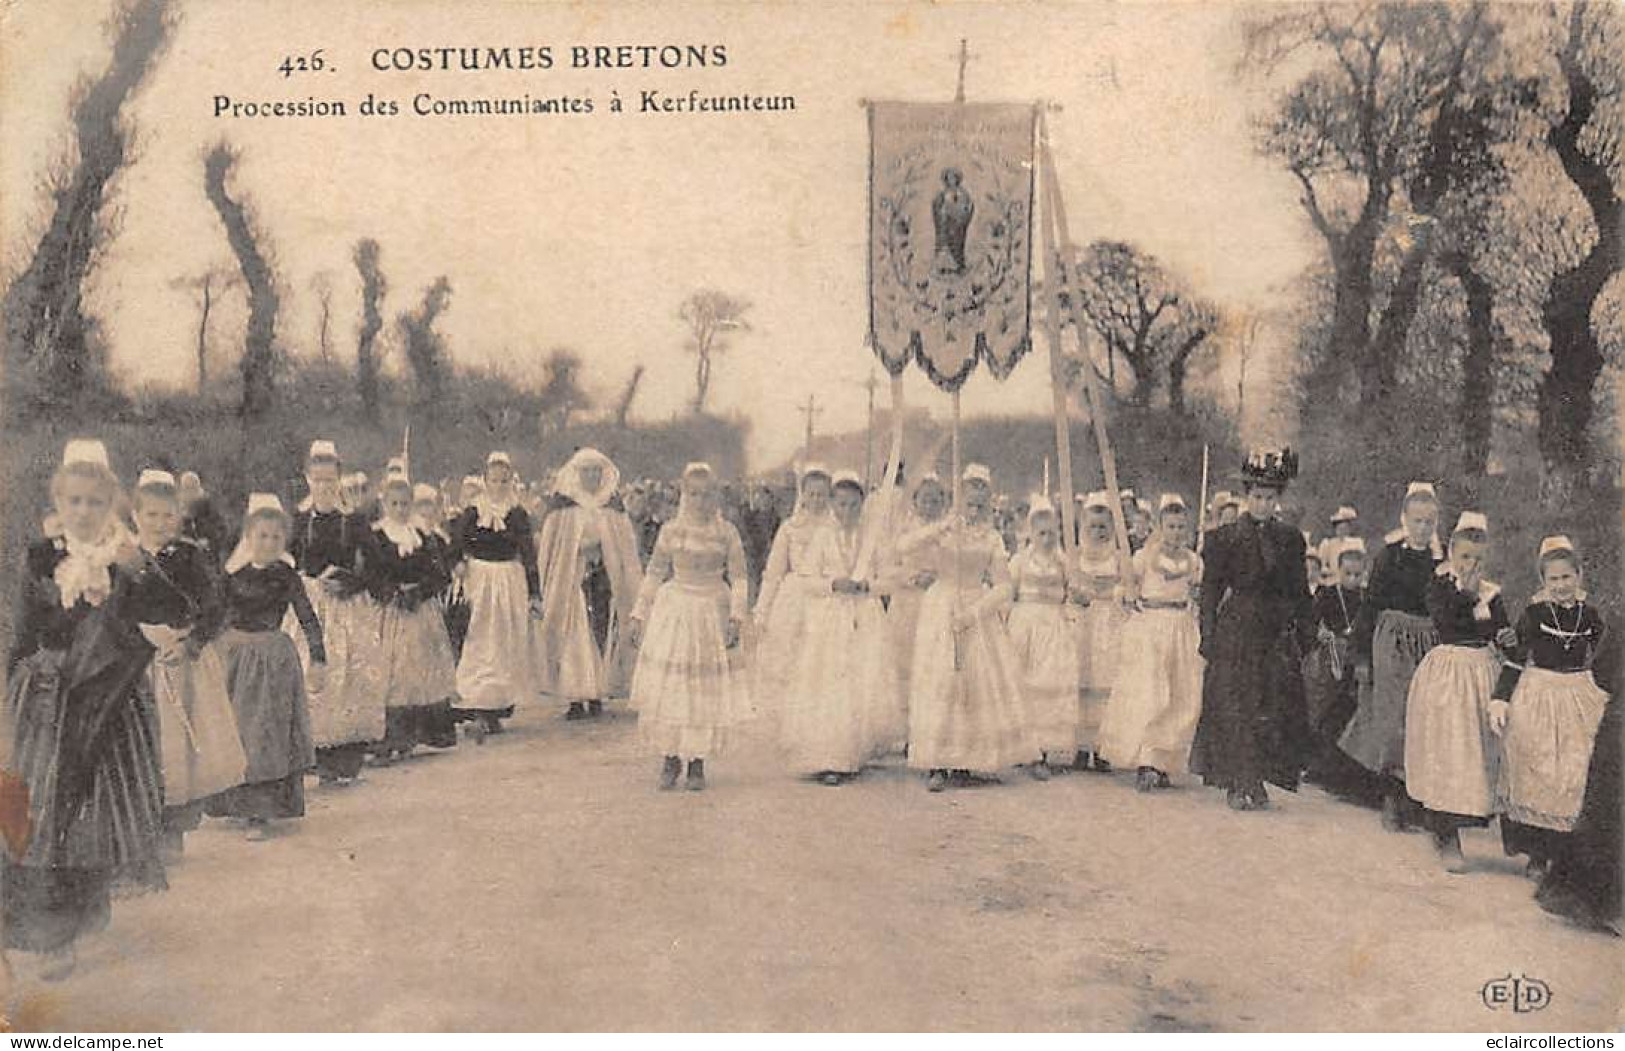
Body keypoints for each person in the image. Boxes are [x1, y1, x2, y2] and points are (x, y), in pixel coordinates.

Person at [2, 440, 166, 980]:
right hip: (46, 699)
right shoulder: (40, 555)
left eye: (95, 502)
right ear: (58, 500)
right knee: (38, 808)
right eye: (73, 501)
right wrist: (10, 687)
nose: (83, 512)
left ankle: (76, 920)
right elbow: (25, 630)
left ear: (112, 504)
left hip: (109, 701)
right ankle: (46, 934)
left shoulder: (129, 556)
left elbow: (179, 609)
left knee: (92, 815)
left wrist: (139, 571)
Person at [126, 469, 245, 858]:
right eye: (151, 515)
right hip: (137, 662)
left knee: (180, 750)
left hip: (181, 661)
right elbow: (112, 612)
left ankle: (173, 832)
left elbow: (216, 607)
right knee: (142, 746)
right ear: (135, 515)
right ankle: (139, 832)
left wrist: (191, 642)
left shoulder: (190, 556)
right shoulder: (123, 558)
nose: (159, 524)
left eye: (167, 516)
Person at [902, 464, 1040, 792]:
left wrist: (976, 611)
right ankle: (937, 760)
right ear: (959, 498)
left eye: (981, 502)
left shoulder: (992, 538)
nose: (974, 508)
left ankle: (966, 758)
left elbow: (1004, 587)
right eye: (969, 500)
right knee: (940, 679)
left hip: (975, 609)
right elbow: (903, 547)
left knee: (975, 682)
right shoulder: (943, 528)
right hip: (941, 605)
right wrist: (939, 529)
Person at [1190, 449, 1313, 811]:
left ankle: (1257, 777)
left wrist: (1305, 634)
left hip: (1274, 632)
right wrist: (1208, 636)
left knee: (1271, 704)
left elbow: (1300, 591)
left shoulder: (1291, 540)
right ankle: (1238, 780)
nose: (1263, 505)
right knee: (1235, 704)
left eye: (1270, 498)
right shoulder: (1223, 538)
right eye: (1257, 497)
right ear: (1246, 497)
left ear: (1279, 500)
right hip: (1237, 629)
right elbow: (1210, 592)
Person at [1491, 536, 1611, 881]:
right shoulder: (1533, 614)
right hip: (1539, 693)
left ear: (1579, 576)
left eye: (1567, 577)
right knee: (1538, 769)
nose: (1561, 586)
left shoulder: (1589, 615)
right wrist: (1501, 698)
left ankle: (1564, 855)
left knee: (1571, 772)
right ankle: (1537, 854)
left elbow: (1605, 656)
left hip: (1575, 692)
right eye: (1553, 579)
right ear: (1543, 582)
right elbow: (1514, 660)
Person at [206, 495, 324, 840]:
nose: (269, 543)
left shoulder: (286, 575)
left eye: (276, 537)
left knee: (265, 733)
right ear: (248, 536)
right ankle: (235, 802)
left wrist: (318, 656)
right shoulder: (232, 575)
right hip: (236, 658)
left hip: (273, 660)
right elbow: (214, 615)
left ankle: (261, 810)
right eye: (262, 535)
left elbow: (306, 616)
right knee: (237, 730)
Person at [626, 463, 749, 791]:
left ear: (715, 496)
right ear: (683, 494)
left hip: (711, 611)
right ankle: (670, 757)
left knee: (701, 688)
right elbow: (654, 572)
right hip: (676, 608)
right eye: (692, 494)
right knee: (674, 685)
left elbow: (738, 577)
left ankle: (697, 761)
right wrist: (639, 613)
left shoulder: (727, 533)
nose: (699, 501)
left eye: (706, 494)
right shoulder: (671, 531)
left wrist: (737, 617)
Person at [1404, 511, 1512, 873]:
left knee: (1480, 751)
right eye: (1465, 556)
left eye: (1478, 558)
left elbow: (1499, 629)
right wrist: (1465, 595)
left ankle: (1477, 820)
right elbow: (1444, 620)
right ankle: (1445, 832)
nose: (1471, 565)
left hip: (1482, 670)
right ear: (1451, 553)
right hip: (1450, 671)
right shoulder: (1440, 585)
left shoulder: (1491, 593)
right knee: (1449, 750)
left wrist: (1506, 636)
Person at [781, 472, 898, 783]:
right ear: (833, 504)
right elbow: (805, 580)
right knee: (831, 684)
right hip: (830, 618)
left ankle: (855, 750)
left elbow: (890, 579)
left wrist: (867, 585)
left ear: (862, 506)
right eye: (842, 505)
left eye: (853, 506)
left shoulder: (873, 539)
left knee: (860, 681)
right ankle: (831, 755)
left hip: (864, 615)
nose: (847, 512)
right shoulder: (821, 536)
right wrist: (833, 583)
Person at [1340, 482, 1443, 830]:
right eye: (1416, 521)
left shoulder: (1440, 562)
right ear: (1404, 519)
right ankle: (1390, 797)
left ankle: (1416, 799)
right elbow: (1370, 607)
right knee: (1393, 718)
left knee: (1424, 719)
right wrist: (1361, 656)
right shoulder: (1389, 556)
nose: (1422, 528)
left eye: (1429, 522)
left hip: (1428, 643)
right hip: (1393, 641)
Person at [289, 440, 382, 785]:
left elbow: (377, 567)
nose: (324, 487)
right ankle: (311, 754)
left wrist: (351, 582)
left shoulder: (353, 521)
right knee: (311, 674)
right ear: (307, 478)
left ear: (339, 479)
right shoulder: (298, 521)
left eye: (330, 480)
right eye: (318, 479)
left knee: (347, 677)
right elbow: (282, 561)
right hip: (308, 605)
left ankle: (343, 757)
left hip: (345, 607)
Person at [1098, 495, 1204, 791]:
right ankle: (1146, 760)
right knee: (1152, 695)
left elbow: (1197, 595)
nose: (1176, 533)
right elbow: (1123, 589)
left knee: (1181, 695)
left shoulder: (1194, 561)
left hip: (1181, 628)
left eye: (1182, 527)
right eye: (1170, 526)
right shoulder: (1144, 558)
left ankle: (1165, 761)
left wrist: (1196, 597)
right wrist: (1126, 596)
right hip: (1151, 629)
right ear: (1159, 527)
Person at [533, 448, 642, 721]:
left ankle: (597, 693)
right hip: (572, 580)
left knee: (602, 632)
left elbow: (626, 548)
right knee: (575, 637)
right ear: (577, 474)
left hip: (605, 578)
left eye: (597, 471)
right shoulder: (563, 508)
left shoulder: (612, 508)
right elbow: (552, 547)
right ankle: (575, 696)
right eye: (586, 471)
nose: (592, 476)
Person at [366, 476, 459, 760]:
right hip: (391, 611)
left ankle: (421, 733)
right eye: (394, 503)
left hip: (420, 611)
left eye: (405, 504)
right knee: (392, 674)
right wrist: (391, 592)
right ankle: (390, 737)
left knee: (421, 671)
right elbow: (371, 573)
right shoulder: (377, 536)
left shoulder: (422, 535)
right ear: (384, 504)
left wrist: (420, 591)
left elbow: (441, 574)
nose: (400, 509)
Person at [449, 451, 540, 739]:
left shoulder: (517, 513)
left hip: (508, 579)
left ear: (511, 481)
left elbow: (528, 554)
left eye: (504, 481)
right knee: (479, 639)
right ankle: (476, 705)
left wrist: (534, 592)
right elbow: (455, 543)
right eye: (494, 481)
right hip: (480, 578)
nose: (499, 486)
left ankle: (496, 707)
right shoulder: (474, 511)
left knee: (502, 642)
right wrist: (458, 563)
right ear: (485, 480)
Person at [1006, 498, 1083, 777]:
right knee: (1025, 683)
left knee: (1052, 683)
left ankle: (1046, 747)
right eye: (1041, 533)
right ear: (1031, 534)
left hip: (1053, 625)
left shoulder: (1064, 562)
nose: (1047, 539)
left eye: (1052, 533)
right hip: (1025, 625)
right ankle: (1026, 748)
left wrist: (1075, 600)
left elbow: (1071, 591)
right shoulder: (1019, 561)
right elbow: (1008, 594)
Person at [753, 465, 834, 705]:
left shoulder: (835, 528)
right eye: (811, 494)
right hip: (794, 595)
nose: (816, 500)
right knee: (789, 654)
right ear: (803, 495)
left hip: (825, 594)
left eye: (822, 494)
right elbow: (774, 573)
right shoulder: (790, 528)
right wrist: (761, 611)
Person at [1302, 540, 1369, 791]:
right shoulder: (1328, 594)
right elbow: (1310, 620)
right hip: (1330, 655)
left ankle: (1342, 770)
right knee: (1324, 706)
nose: (1352, 579)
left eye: (1357, 574)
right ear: (1338, 571)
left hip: (1356, 655)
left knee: (1350, 709)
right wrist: (1320, 633)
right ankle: (1317, 764)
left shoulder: (1366, 597)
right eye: (1347, 574)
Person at [882, 473, 949, 716]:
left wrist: (940, 579)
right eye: (925, 500)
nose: (930, 506)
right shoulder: (904, 531)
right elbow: (887, 567)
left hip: (938, 599)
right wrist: (912, 577)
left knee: (934, 659)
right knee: (904, 658)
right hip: (908, 601)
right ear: (915, 501)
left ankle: (931, 716)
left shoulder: (948, 532)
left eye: (935, 501)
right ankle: (904, 716)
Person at [1073, 491, 1125, 773]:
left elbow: (1126, 586)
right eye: (1092, 526)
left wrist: (1114, 592)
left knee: (1106, 682)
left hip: (1108, 620)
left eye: (1103, 526)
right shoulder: (1076, 556)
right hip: (1083, 621)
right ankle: (1081, 746)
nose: (1098, 532)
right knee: (1083, 681)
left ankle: (1102, 747)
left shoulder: (1117, 558)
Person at [738, 482, 783, 605]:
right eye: (761, 497)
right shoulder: (751, 516)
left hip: (769, 552)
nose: (764, 501)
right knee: (753, 578)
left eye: (766, 498)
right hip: (755, 552)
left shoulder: (776, 518)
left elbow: (777, 535)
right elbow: (746, 531)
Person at [177, 471, 229, 566]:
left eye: (192, 488)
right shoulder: (176, 509)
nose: (189, 493)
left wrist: (209, 541)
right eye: (186, 488)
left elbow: (222, 530)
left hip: (207, 559)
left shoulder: (210, 508)